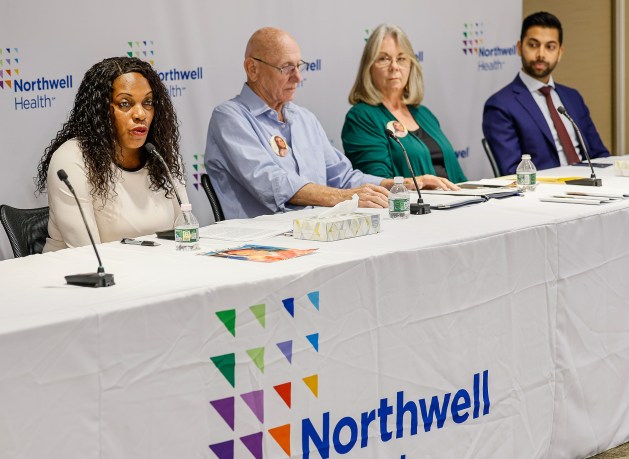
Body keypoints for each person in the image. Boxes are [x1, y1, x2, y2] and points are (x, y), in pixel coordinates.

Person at [204, 27, 458, 220]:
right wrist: (343, 198)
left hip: (319, 235)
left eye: (299, 66)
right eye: (286, 68)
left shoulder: (304, 119)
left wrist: (399, 184)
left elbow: (344, 176)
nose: (298, 77)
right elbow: (272, 184)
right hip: (262, 246)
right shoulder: (230, 117)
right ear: (252, 69)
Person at [35, 56, 188, 252]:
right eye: (125, 103)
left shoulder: (161, 154)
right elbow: (88, 253)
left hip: (153, 272)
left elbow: (185, 230)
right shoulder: (72, 159)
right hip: (79, 277)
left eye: (148, 102)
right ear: (100, 111)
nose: (140, 114)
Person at [482, 11, 609, 175]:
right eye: (533, 45)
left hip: (593, 188)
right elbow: (512, 173)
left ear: (560, 53)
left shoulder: (573, 97)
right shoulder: (500, 105)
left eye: (550, 47)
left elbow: (600, 155)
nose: (541, 54)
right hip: (545, 195)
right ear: (520, 48)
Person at [342, 24, 467, 183]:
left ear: (411, 66)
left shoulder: (424, 114)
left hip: (455, 204)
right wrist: (420, 185)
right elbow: (377, 184)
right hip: (413, 206)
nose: (394, 66)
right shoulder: (361, 117)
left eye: (401, 59)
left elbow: (459, 177)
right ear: (369, 68)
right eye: (384, 59)